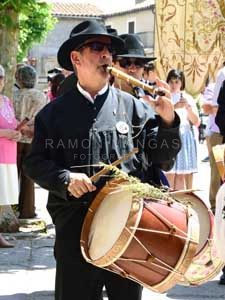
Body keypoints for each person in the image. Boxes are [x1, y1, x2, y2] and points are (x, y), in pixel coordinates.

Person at [24, 20, 181, 300]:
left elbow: (163, 159)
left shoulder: (134, 108)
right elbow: (34, 162)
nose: (106, 55)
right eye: (96, 48)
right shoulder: (53, 114)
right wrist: (65, 179)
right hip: (75, 233)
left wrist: (168, 121)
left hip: (128, 235)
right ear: (76, 58)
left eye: (109, 49)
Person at [113, 33, 170, 186]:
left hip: (146, 182)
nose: (132, 69)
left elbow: (164, 158)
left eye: (138, 63)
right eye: (125, 62)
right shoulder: (104, 101)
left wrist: (168, 121)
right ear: (113, 65)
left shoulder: (151, 102)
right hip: (114, 187)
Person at [13, 65, 48, 219]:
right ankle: (27, 210)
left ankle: (11, 210)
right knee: (28, 177)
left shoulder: (13, 95)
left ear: (18, 79)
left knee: (12, 176)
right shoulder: (41, 96)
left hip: (13, 137)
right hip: (33, 138)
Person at [165, 69, 200, 190]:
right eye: (171, 81)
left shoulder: (188, 98)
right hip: (168, 137)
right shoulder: (164, 97)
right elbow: (159, 118)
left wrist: (188, 109)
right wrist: (175, 107)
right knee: (169, 174)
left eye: (177, 82)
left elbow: (196, 122)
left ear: (182, 83)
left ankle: (178, 205)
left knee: (180, 175)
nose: (174, 85)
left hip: (184, 137)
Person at [0, 65, 21, 247]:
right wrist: (5, 133)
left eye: (0, 77)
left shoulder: (6, 100)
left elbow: (12, 123)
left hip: (8, 154)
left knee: (2, 197)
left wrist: (17, 132)